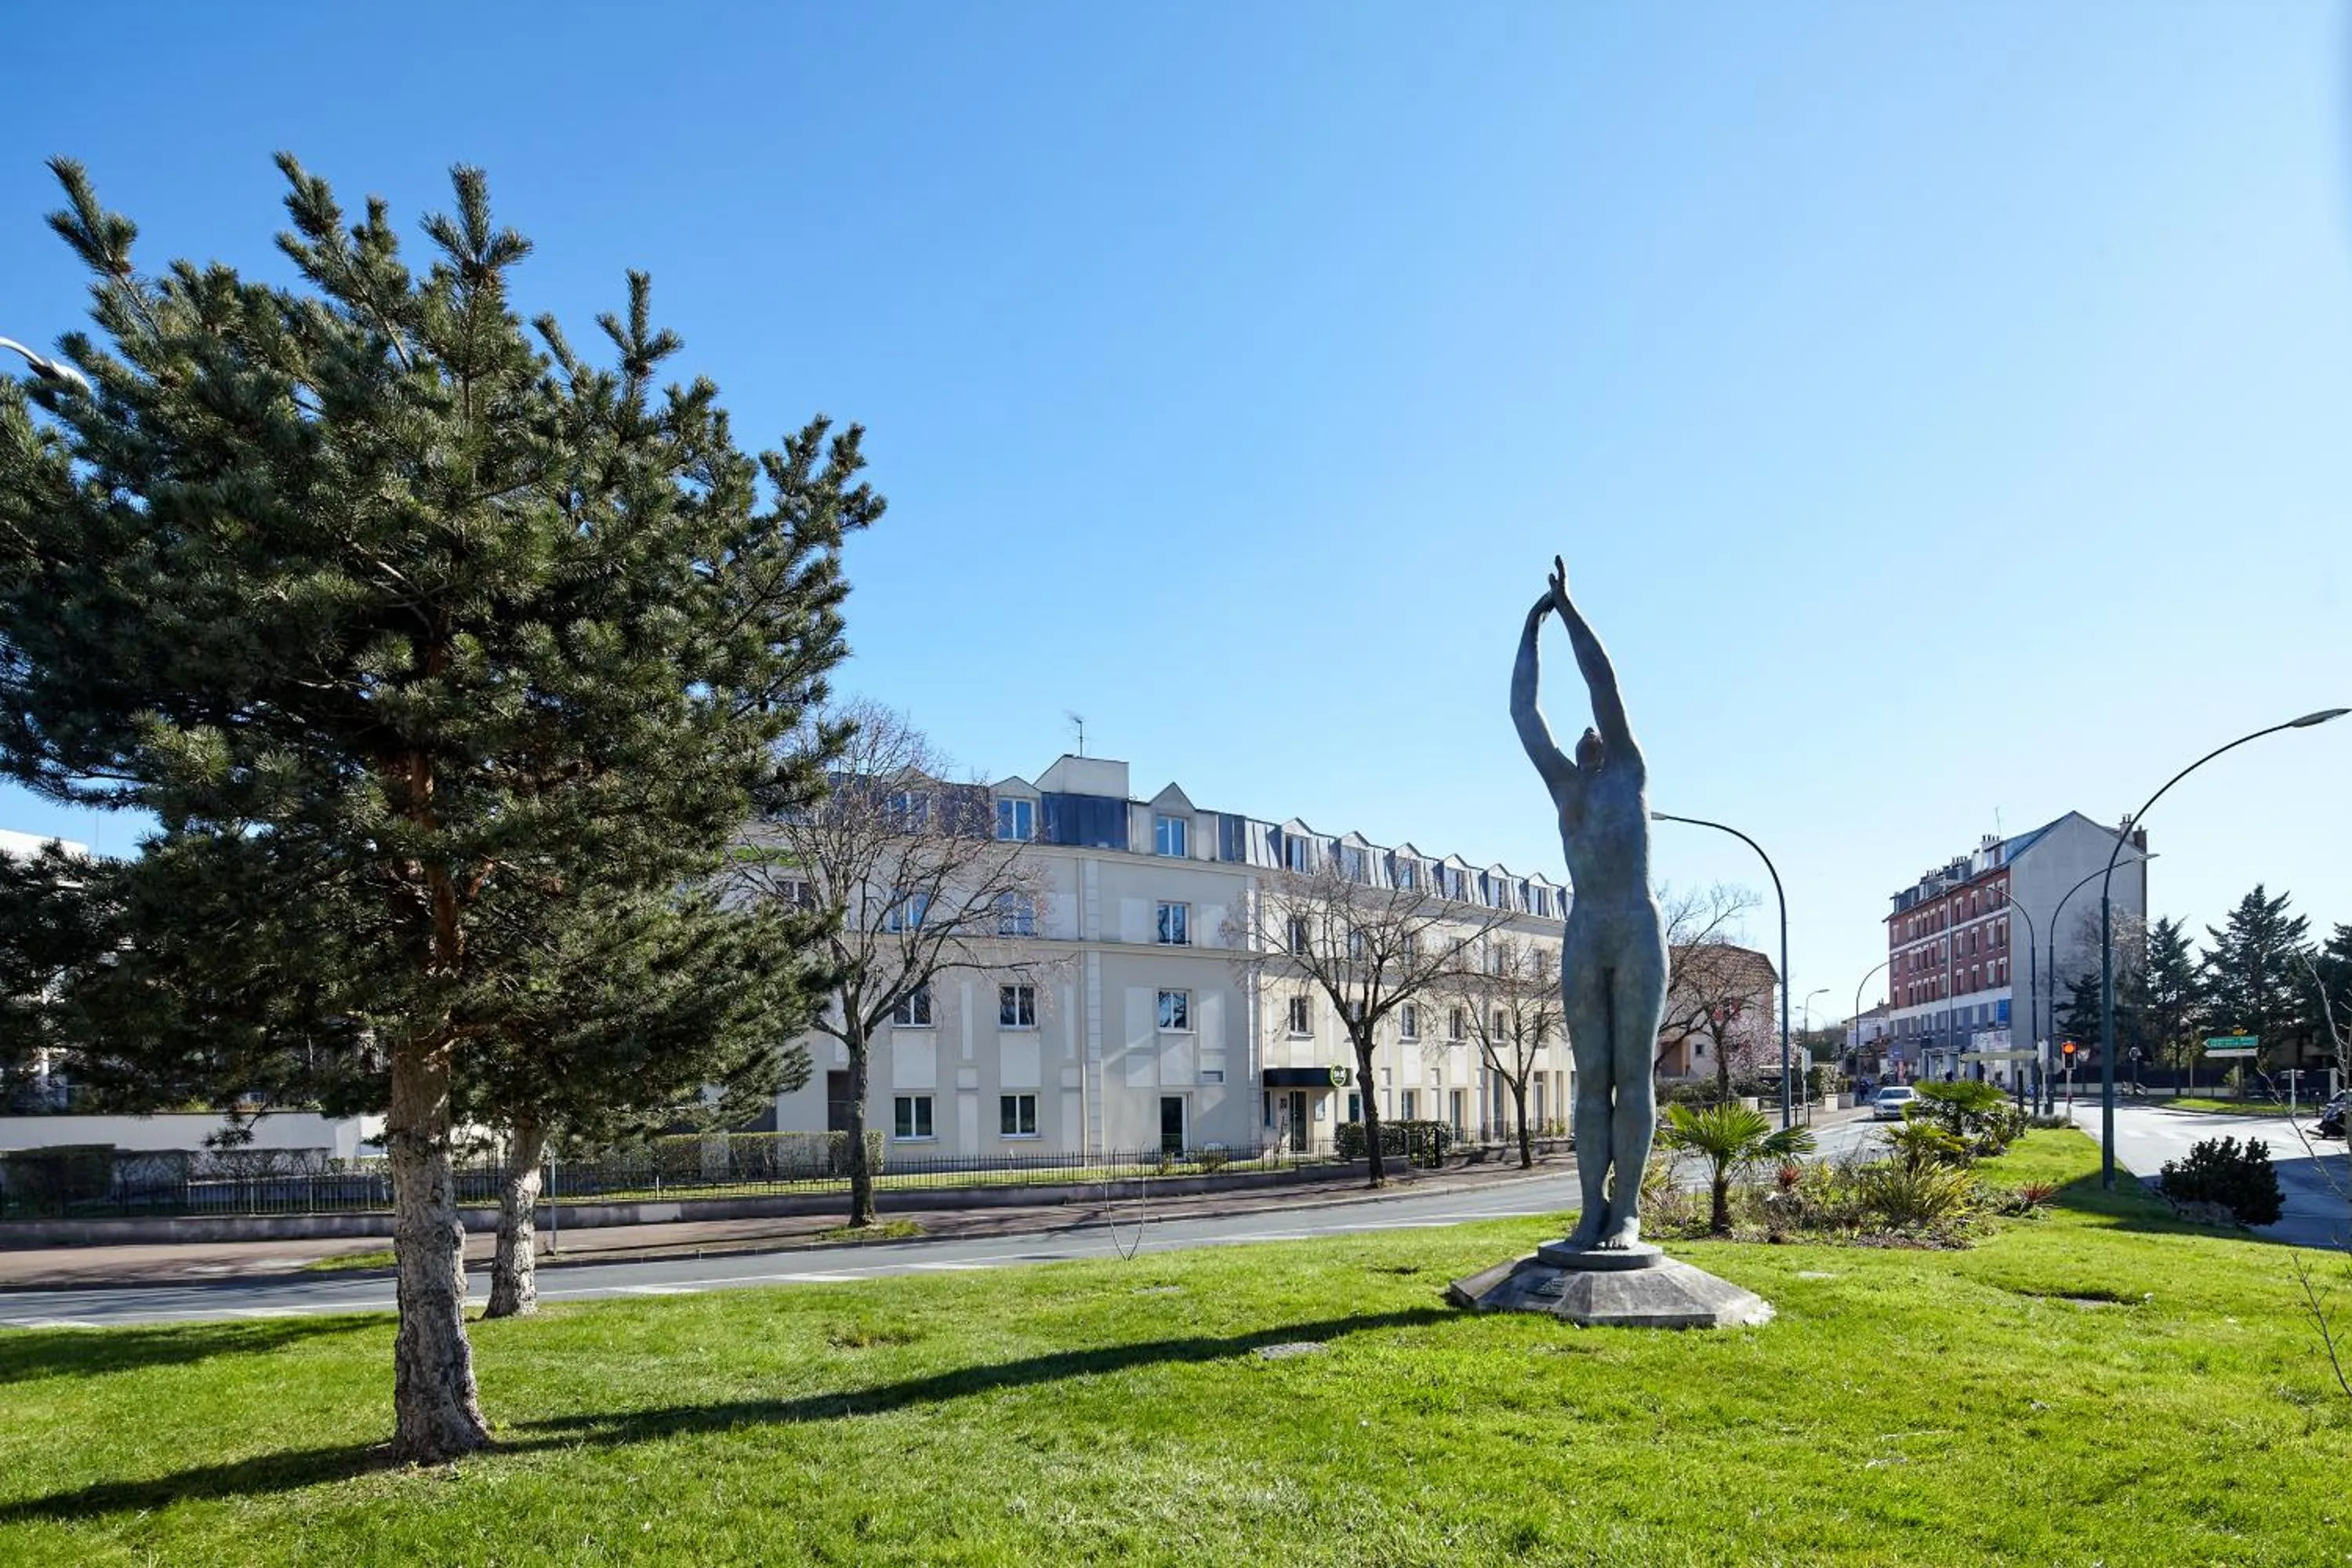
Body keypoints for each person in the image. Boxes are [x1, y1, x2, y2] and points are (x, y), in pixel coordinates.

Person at [1511, 555, 1670, 1251]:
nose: (1588, 732)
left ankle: (1627, 1210)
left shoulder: (1629, 772)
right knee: (1590, 1080)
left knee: (1631, 1075)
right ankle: (1588, 1210)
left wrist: (1568, 609)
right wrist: (1528, 634)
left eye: (1598, 731)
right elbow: (1524, 714)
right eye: (1582, 735)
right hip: (1586, 931)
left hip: (1634, 926)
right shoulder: (1564, 789)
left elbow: (1602, 682)